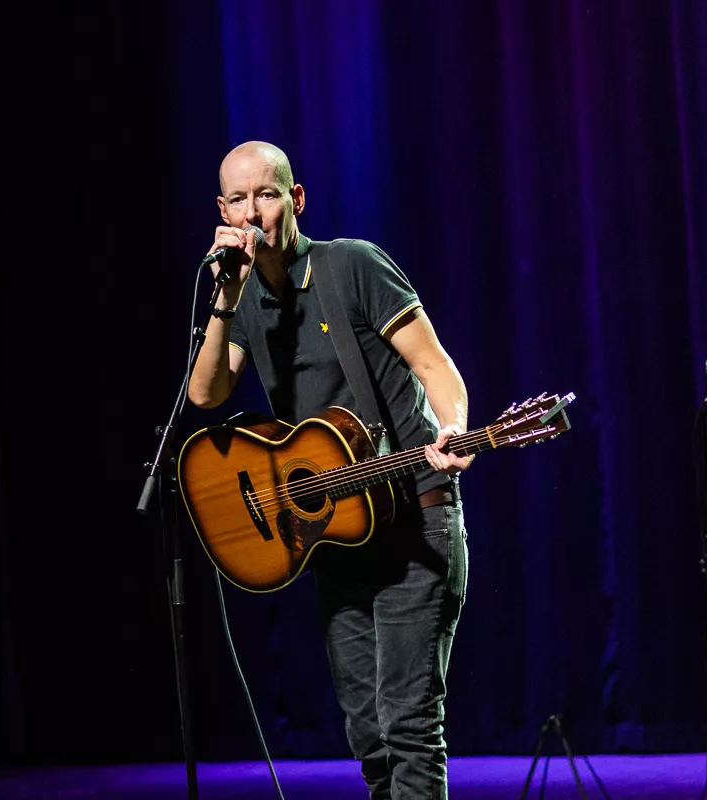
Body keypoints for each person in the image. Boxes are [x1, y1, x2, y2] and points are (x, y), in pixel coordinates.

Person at [187, 140, 472, 799]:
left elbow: (433, 364)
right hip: (340, 535)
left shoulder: (351, 266)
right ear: (222, 211)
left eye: (266, 195)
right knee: (369, 735)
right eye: (238, 199)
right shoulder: (243, 298)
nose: (253, 213)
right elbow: (205, 394)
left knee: (408, 726)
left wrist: (454, 424)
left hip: (415, 520)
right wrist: (225, 296)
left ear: (296, 199)